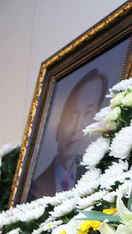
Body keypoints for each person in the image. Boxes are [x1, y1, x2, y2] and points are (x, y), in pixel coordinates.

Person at [28, 68, 108, 200]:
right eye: (72, 116)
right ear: (58, 126)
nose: (76, 127)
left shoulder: (98, 175)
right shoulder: (34, 189)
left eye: (88, 113)